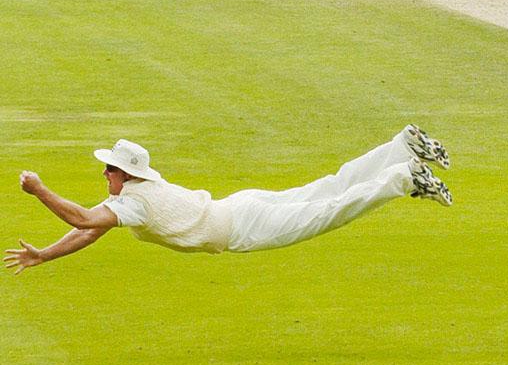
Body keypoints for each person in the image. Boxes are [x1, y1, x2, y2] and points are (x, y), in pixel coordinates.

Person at [4, 128, 451, 272]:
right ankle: (399, 147)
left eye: (110, 169)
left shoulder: (133, 201)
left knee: (329, 209)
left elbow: (82, 219)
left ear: (128, 174)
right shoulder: (135, 194)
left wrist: (39, 189)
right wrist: (44, 255)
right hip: (238, 207)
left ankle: (402, 177)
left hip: (241, 227)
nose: (104, 173)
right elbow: (88, 229)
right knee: (327, 189)